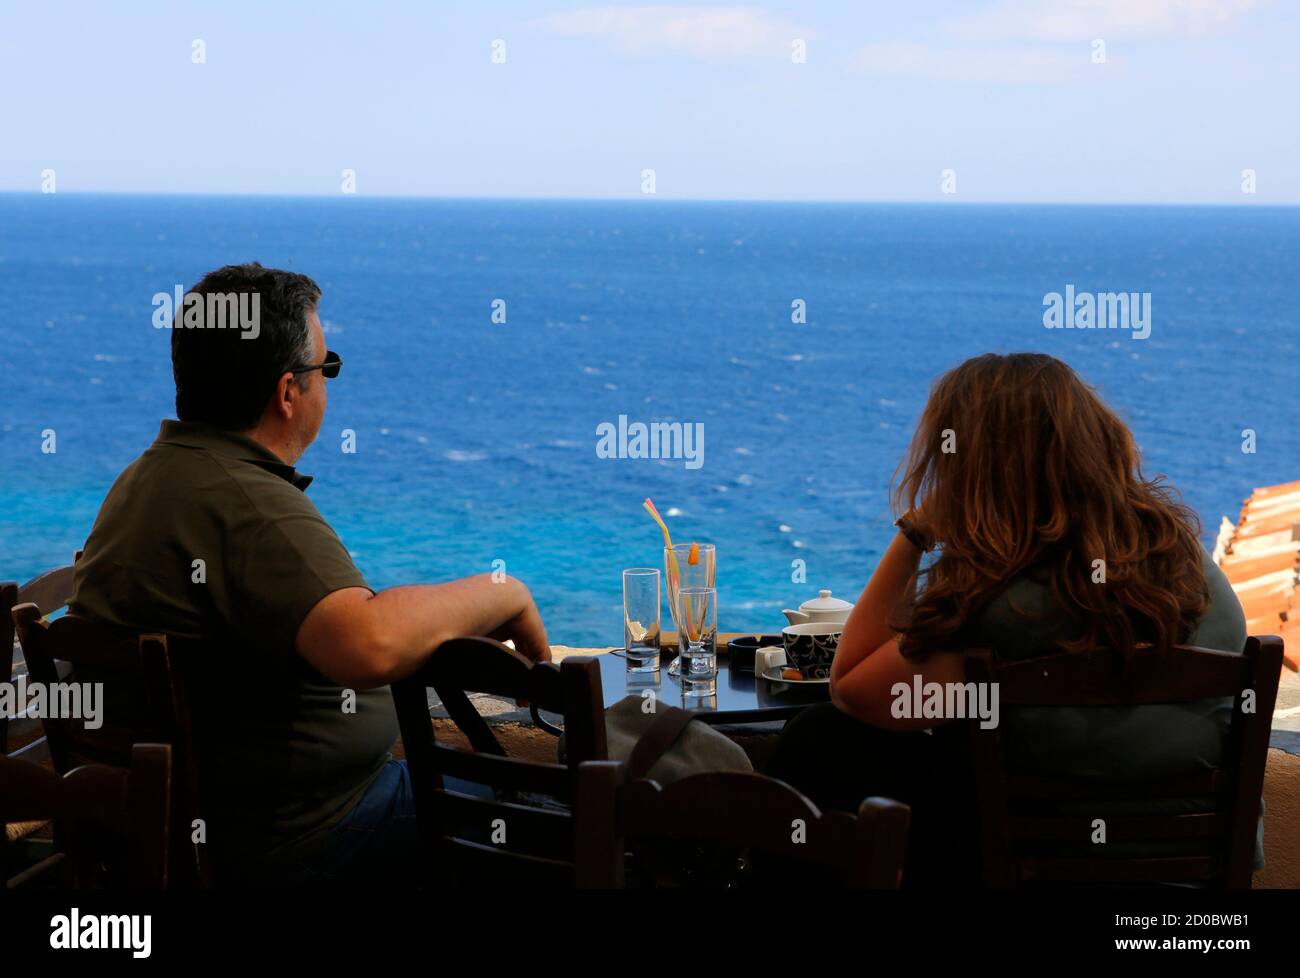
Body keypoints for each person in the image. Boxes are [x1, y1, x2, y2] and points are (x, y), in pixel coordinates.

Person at [70, 262, 550, 884]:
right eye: (327, 368)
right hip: (299, 843)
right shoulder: (248, 503)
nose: (328, 384)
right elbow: (366, 642)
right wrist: (504, 590)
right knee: (552, 812)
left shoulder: (145, 480)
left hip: (174, 835)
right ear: (288, 392)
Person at [765, 352, 1258, 886]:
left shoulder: (1005, 605)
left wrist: (915, 534)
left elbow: (850, 688)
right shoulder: (1190, 563)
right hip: (1190, 897)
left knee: (820, 736)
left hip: (1038, 869)